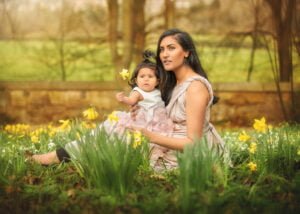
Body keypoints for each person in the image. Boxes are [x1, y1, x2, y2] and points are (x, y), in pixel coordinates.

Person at [31, 28, 226, 171]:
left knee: (117, 133)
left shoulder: (195, 88)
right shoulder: (173, 82)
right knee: (118, 124)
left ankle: (60, 157)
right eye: (162, 49)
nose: (164, 54)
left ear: (187, 52)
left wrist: (147, 134)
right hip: (166, 140)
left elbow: (193, 143)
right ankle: (63, 156)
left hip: (189, 156)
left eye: (171, 48)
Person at [31, 50, 173, 166]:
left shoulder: (157, 93)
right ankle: (59, 156)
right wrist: (124, 99)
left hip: (154, 128)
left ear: (158, 81)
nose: (146, 79)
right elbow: (132, 100)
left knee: (117, 145)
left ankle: (66, 156)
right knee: (105, 137)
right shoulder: (138, 92)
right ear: (136, 80)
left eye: (150, 77)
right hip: (137, 125)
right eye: (142, 76)